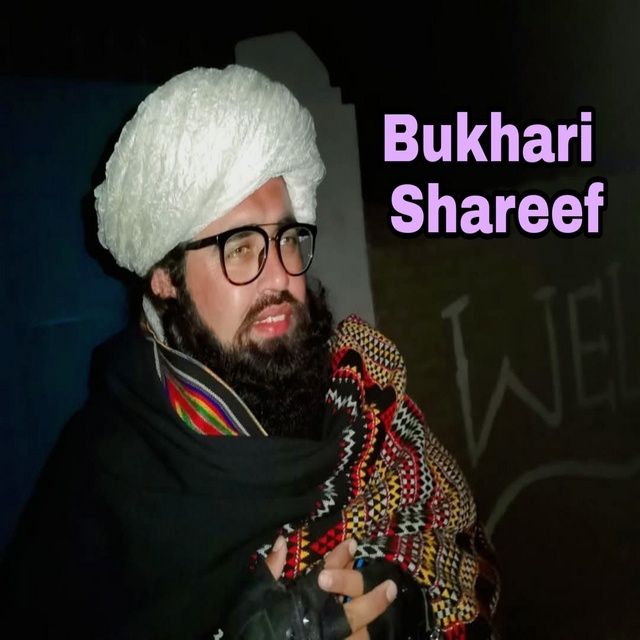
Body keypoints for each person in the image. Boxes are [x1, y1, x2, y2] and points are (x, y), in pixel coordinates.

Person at [0, 65, 499, 639]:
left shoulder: (362, 388)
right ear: (164, 277)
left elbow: (465, 551)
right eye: (240, 247)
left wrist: (403, 602)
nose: (281, 277)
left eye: (287, 238)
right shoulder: (101, 481)